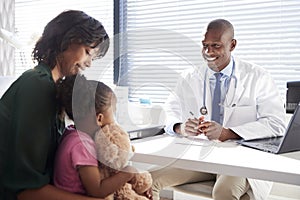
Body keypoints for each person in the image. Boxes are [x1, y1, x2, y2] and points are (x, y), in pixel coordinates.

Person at [150, 19, 286, 200]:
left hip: (240, 159)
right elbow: (170, 110)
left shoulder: (257, 76)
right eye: (205, 45)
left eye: (216, 45)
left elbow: (276, 123)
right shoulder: (190, 76)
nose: (208, 52)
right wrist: (179, 126)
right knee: (146, 180)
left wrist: (228, 133)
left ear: (233, 44)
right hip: (200, 156)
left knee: (224, 192)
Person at [0, 10, 109, 200]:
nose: (89, 63)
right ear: (67, 40)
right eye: (88, 52)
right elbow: (24, 190)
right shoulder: (36, 86)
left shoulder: (51, 87)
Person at [54, 74, 152, 199]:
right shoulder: (81, 145)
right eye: (113, 113)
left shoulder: (71, 134)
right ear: (100, 118)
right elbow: (97, 190)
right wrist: (128, 173)